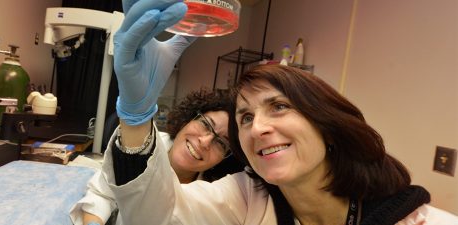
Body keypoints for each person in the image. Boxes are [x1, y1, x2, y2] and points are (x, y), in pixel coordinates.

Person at [98, 0, 458, 224]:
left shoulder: (423, 220)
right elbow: (154, 218)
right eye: (246, 118)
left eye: (280, 107)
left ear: (326, 125)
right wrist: (136, 115)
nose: (258, 129)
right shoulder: (246, 198)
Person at [69, 89, 243, 225]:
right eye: (205, 124)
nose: (205, 142)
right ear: (188, 119)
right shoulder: (144, 144)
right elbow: (102, 194)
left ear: (224, 159)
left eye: (221, 143)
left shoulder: (213, 198)